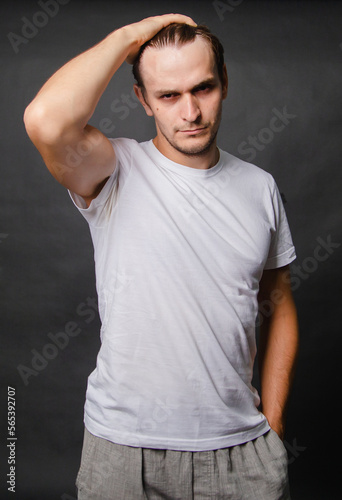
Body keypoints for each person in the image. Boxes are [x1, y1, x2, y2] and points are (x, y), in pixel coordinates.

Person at [24, 13, 299, 500]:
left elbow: (278, 303)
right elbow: (45, 121)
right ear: (143, 100)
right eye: (168, 95)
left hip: (240, 453)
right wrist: (128, 38)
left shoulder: (260, 188)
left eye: (203, 88)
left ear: (225, 83)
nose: (190, 112)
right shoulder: (113, 170)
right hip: (124, 454)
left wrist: (272, 423)